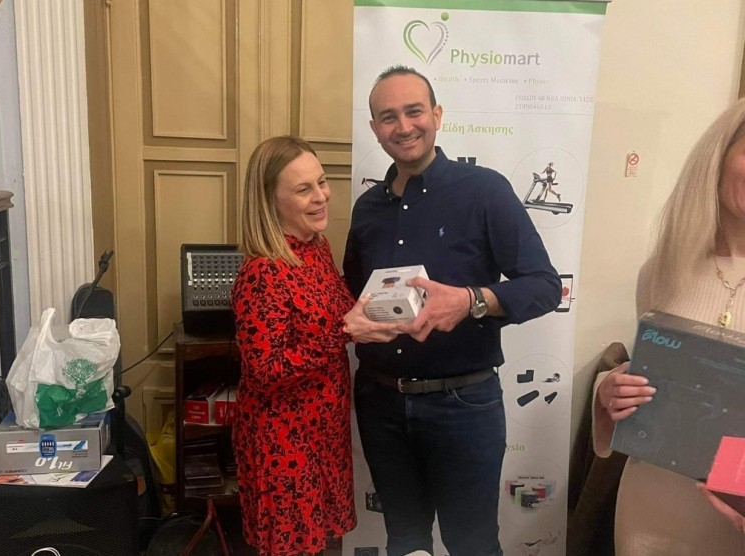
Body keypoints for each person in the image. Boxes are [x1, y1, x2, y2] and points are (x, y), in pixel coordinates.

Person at [343, 66, 562, 556]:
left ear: (437, 115)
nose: (403, 126)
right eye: (388, 117)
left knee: (473, 545)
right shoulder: (367, 208)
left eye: (414, 111)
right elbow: (353, 296)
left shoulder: (484, 191)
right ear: (375, 128)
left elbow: (545, 286)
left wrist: (471, 301)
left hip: (463, 406)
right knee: (404, 542)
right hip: (380, 403)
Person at [231, 135, 397, 556]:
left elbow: (339, 312)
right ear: (270, 200)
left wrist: (388, 305)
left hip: (324, 433)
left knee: (322, 546)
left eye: (321, 182)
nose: (321, 196)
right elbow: (265, 371)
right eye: (304, 189)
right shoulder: (262, 272)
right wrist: (343, 333)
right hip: (284, 444)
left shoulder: (315, 248)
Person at [593, 98, 745, 555]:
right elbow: (649, 378)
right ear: (719, 156)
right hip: (651, 504)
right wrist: (608, 391)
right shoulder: (663, 270)